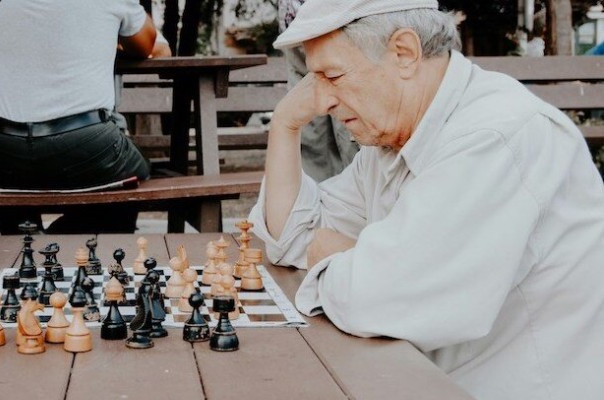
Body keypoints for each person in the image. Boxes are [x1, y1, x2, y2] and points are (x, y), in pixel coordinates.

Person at [248, 0, 604, 398]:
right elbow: (291, 238)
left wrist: (349, 259)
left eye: (332, 75)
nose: (323, 101)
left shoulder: (493, 138)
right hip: (423, 377)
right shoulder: (392, 138)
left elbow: (379, 301)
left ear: (404, 53)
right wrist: (284, 124)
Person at [0, 0, 157, 234]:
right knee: (137, 174)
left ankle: (25, 241)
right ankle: (56, 243)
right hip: (86, 144)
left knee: (0, 175)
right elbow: (147, 44)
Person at [277, 0, 358, 181]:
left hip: (339, 22)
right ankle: (318, 202)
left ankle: (360, 198)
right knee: (309, 131)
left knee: (350, 126)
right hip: (294, 26)